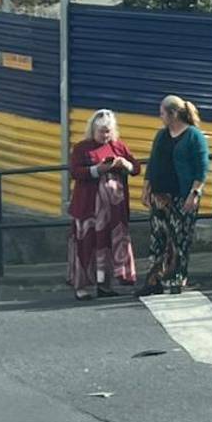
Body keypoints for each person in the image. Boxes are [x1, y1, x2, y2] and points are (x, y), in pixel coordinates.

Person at [140, 95, 211, 295]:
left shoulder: (193, 136)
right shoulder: (161, 136)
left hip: (182, 194)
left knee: (180, 237)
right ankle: (154, 280)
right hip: (161, 195)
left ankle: (177, 278)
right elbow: (153, 163)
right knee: (158, 238)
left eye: (162, 113)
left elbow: (201, 167)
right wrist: (146, 189)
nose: (160, 117)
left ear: (173, 114)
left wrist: (194, 192)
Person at [68, 109, 140, 300]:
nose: (105, 135)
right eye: (101, 131)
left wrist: (126, 164)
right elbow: (75, 172)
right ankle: (81, 287)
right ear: (93, 129)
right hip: (88, 209)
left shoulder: (118, 146)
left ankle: (105, 285)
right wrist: (96, 170)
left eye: (108, 131)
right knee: (86, 245)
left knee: (108, 245)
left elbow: (136, 168)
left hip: (113, 211)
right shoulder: (82, 148)